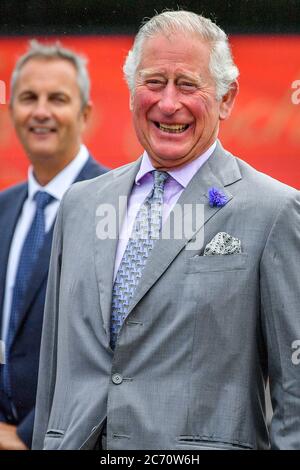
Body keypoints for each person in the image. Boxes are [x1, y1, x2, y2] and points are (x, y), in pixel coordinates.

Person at [33, 11, 300, 450]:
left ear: (227, 98)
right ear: (132, 92)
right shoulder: (80, 206)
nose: (169, 103)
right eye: (154, 82)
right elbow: (53, 372)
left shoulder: (272, 211)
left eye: (188, 85)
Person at [0, 40, 107, 450]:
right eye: (28, 98)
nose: (41, 111)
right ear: (12, 112)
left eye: (57, 98)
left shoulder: (117, 206)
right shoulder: (4, 208)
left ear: (85, 114)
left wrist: (27, 437)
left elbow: (116, 350)